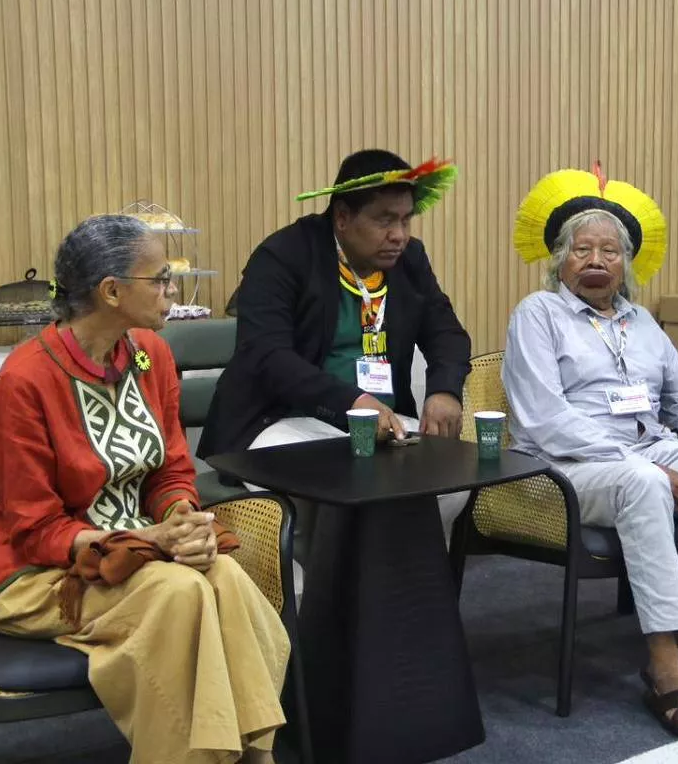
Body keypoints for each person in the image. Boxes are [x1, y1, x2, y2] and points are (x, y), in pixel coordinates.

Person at [0, 215, 289, 763]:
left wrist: (184, 520)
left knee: (227, 577)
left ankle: (254, 754)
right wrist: (151, 544)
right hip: (38, 571)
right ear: (112, 291)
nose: (173, 293)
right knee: (181, 592)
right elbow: (36, 530)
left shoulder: (149, 354)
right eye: (161, 279)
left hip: (140, 552)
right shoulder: (25, 381)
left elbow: (170, 472)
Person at [504, 165, 678, 738]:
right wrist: (644, 462)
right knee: (646, 482)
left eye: (609, 250)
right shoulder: (537, 314)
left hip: (651, 447)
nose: (596, 259)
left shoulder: (642, 321)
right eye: (582, 249)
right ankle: (664, 659)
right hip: (571, 467)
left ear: (626, 264)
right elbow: (546, 420)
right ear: (560, 259)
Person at [198, 150, 473, 557]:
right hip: (282, 421)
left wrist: (445, 391)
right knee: (355, 484)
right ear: (342, 217)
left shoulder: (409, 259)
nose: (399, 234)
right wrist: (352, 403)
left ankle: (412, 603)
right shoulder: (284, 256)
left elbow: (447, 332)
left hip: (384, 426)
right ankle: (328, 608)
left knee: (451, 480)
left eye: (405, 219)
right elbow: (268, 356)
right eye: (384, 219)